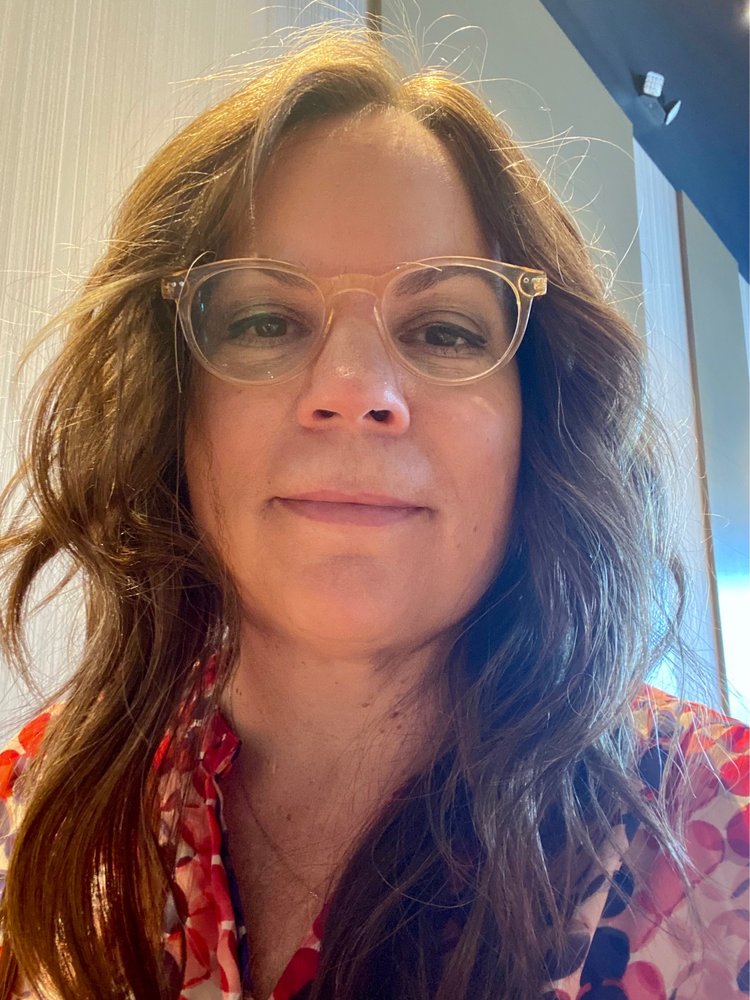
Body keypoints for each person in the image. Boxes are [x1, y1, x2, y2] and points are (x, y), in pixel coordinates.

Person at [0, 25, 747, 1000]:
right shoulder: (29, 818)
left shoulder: (727, 827)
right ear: (172, 408)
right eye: (265, 320)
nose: (354, 390)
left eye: (444, 330)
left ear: (540, 417)